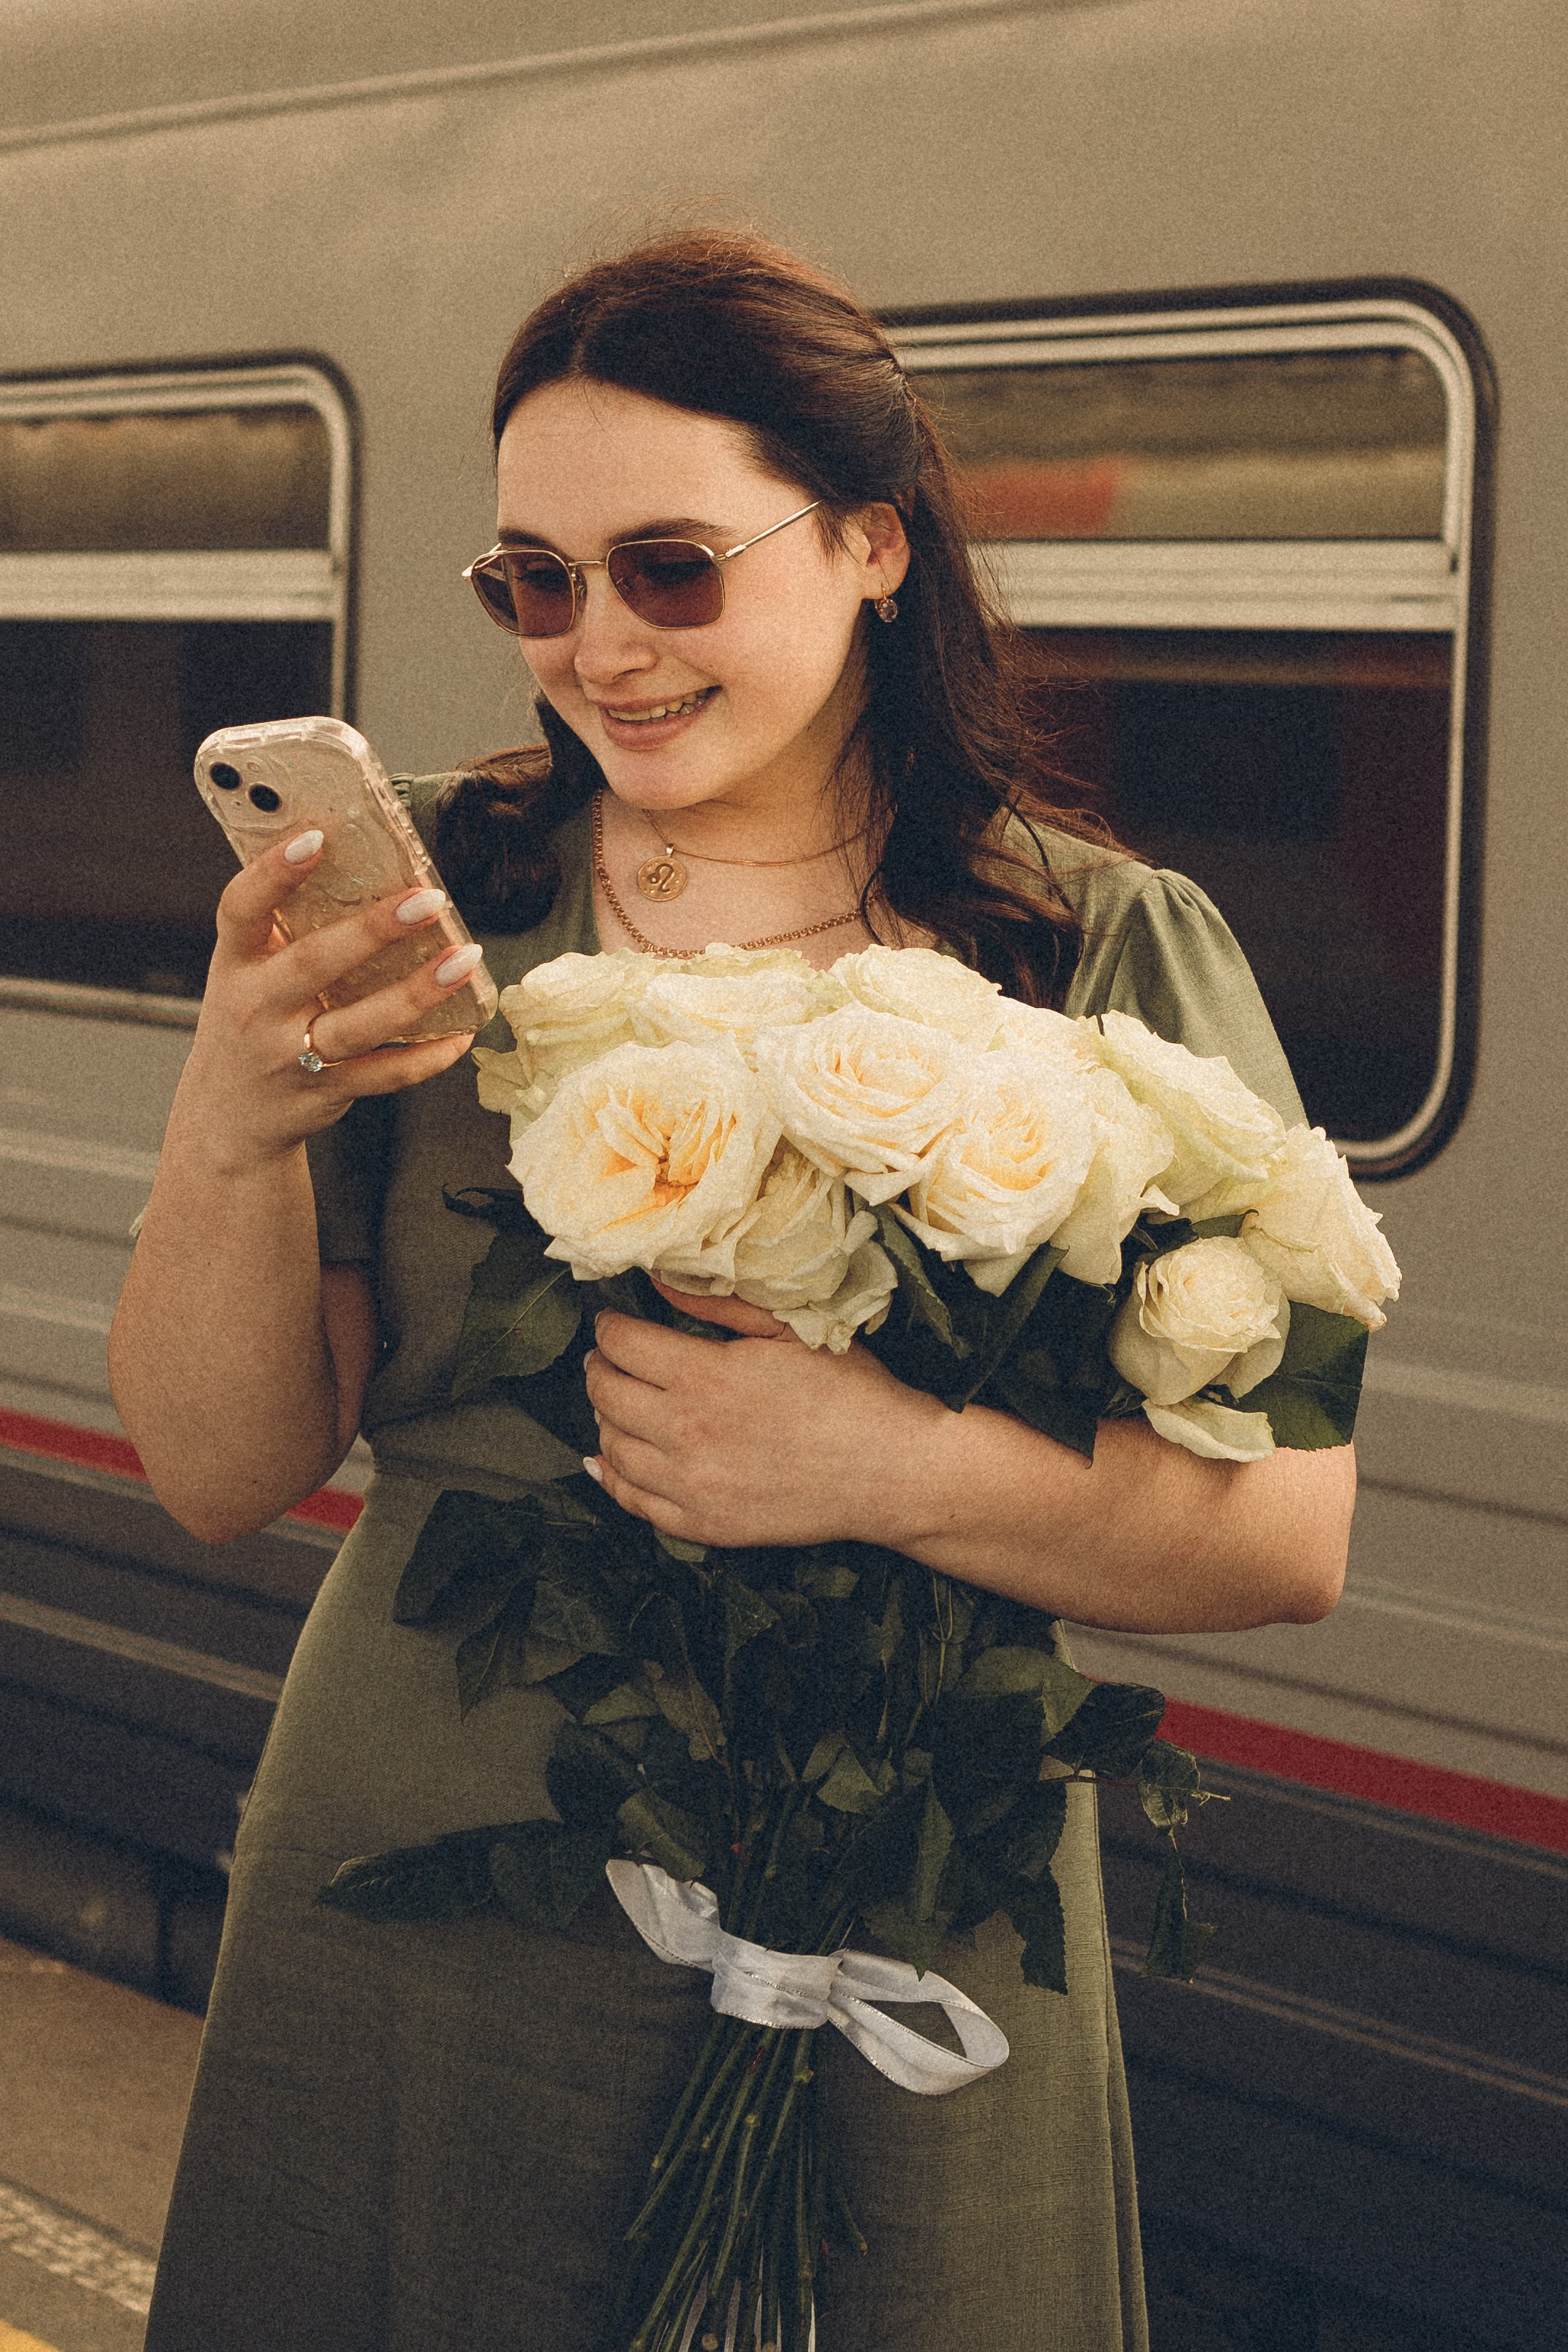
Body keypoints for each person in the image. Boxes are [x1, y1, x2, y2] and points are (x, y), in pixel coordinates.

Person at [114, 231, 1353, 2352]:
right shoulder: (429, 910)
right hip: (429, 1877)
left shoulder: (1102, 955)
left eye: (667, 568)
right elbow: (221, 1471)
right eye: (534, 582)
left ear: (870, 541)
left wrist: (882, 1464)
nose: (598, 645)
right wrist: (229, 1125)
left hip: (911, 1887)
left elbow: (1286, 1534)